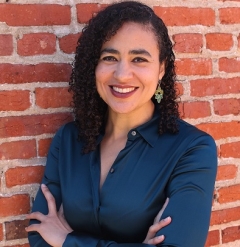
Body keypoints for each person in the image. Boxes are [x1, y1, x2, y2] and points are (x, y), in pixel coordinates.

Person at [26, 1, 217, 246]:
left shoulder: (192, 149)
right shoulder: (69, 140)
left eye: (139, 59)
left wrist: (67, 240)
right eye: (109, 57)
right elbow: (39, 237)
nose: (122, 74)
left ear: (161, 69)